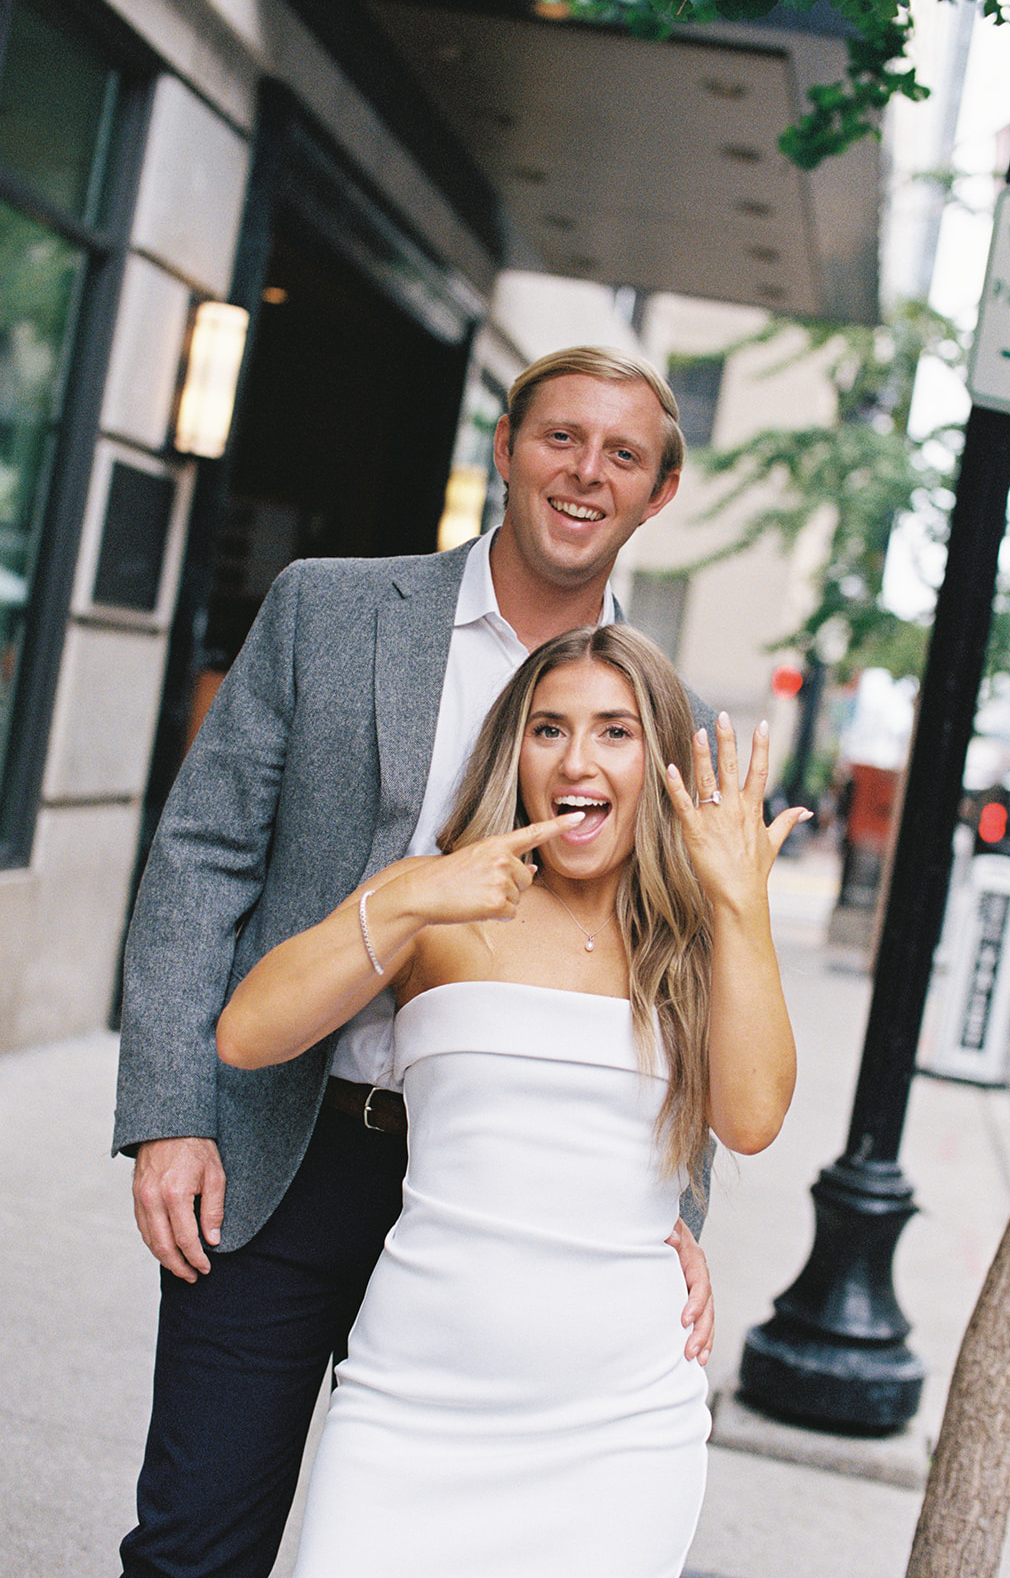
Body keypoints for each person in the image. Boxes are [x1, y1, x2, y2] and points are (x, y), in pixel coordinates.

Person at [115, 347, 717, 1578]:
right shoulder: (327, 610)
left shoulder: (663, 718)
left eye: (621, 455)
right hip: (284, 1149)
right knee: (194, 1542)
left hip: (510, 1202)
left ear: (657, 493)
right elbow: (201, 856)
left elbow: (677, 968)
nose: (583, 473)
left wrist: (675, 1207)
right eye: (559, 438)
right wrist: (171, 1113)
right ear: (503, 446)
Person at [217, 624, 804, 1578]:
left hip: (620, 1429)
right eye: (548, 729)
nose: (578, 761)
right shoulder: (443, 901)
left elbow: (751, 1119)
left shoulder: (696, 937)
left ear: (656, 761)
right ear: (513, 752)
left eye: (615, 732)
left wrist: (740, 904)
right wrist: (408, 898)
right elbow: (248, 1035)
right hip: (411, 1404)